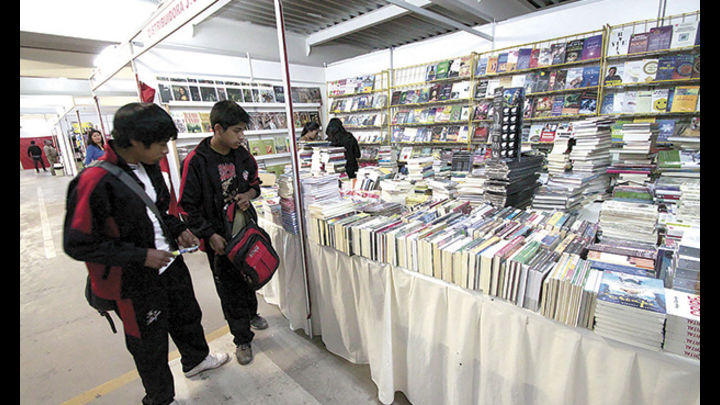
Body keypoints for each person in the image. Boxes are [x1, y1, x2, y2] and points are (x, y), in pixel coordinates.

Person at [63, 102, 229, 405]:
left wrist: (178, 229)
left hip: (170, 262)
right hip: (133, 280)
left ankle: (196, 360)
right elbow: (77, 243)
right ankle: (160, 398)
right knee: (149, 343)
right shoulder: (94, 181)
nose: (166, 151)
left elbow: (158, 212)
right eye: (161, 144)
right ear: (135, 141)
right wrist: (140, 255)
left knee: (187, 315)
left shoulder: (149, 166)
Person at [178, 100, 269, 366]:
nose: (241, 137)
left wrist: (248, 195)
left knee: (249, 276)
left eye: (243, 131)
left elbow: (256, 184)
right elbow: (187, 206)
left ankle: (251, 313)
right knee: (229, 289)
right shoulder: (197, 161)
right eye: (237, 131)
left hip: (245, 231)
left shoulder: (242, 155)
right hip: (218, 237)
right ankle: (242, 338)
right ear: (218, 129)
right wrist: (208, 235)